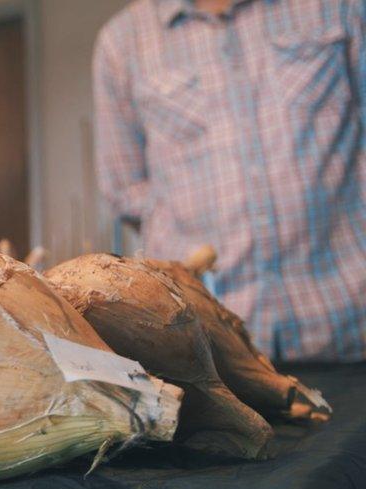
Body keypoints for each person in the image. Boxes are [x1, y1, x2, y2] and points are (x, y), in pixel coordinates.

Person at [92, 0, 365, 362]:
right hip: (208, 353)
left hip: (349, 330)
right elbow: (126, 190)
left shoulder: (340, 6)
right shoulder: (122, 41)